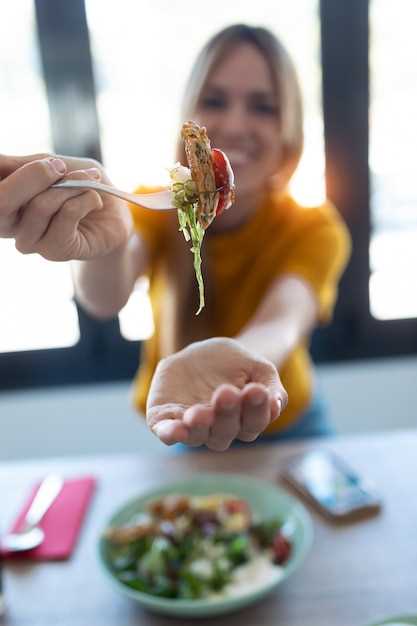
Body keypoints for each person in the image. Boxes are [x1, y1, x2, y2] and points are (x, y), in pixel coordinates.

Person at [0, 24, 350, 452]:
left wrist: (238, 367)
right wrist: (99, 237)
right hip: (184, 419)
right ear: (189, 118)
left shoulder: (314, 227)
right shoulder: (152, 207)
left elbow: (283, 320)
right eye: (215, 100)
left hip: (292, 432)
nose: (236, 125)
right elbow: (104, 296)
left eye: (264, 107)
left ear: (289, 134)